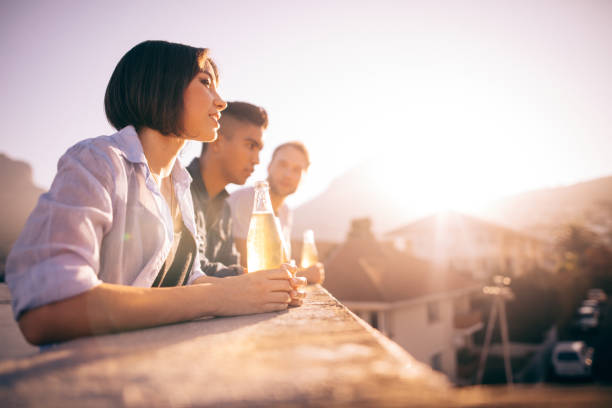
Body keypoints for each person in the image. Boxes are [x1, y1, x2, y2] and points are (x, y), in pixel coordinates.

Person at [5, 40, 305, 346]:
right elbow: (46, 310)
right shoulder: (99, 161)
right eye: (205, 83)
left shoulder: (179, 184)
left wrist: (261, 286)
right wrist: (218, 296)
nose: (221, 102)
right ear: (163, 85)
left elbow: (188, 278)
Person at [187, 101, 266, 276]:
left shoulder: (225, 209)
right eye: (251, 146)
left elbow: (230, 265)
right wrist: (258, 278)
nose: (257, 160)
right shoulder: (178, 189)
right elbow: (191, 270)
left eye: (259, 149)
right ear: (217, 142)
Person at [228, 142, 325, 284]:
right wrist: (304, 274)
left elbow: (280, 262)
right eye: (282, 165)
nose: (288, 174)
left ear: (303, 177)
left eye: (297, 170)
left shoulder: (285, 212)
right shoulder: (244, 201)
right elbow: (251, 266)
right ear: (269, 166)